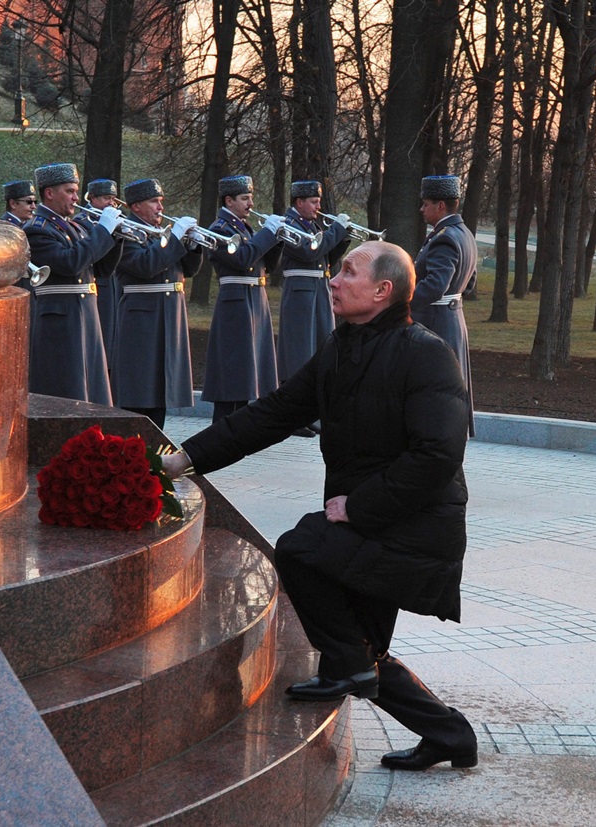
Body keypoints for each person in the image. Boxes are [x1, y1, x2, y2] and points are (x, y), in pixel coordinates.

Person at [162, 240, 478, 772]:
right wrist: (188, 457)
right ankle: (447, 734)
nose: (334, 279)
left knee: (301, 550)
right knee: (363, 653)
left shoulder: (426, 353)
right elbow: (277, 411)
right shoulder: (343, 345)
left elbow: (438, 454)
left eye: (349, 272)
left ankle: (349, 669)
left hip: (411, 524)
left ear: (382, 291)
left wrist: (358, 508)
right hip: (373, 522)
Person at [24, 163, 123, 405]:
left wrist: (116, 236)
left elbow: (101, 269)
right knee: (68, 390)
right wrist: (103, 231)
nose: (76, 198)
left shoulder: (75, 227)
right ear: (49, 193)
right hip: (61, 321)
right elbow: (70, 263)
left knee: (93, 392)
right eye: (69, 191)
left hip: (87, 317)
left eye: (75, 191)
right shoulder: (37, 229)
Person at [111, 178, 204, 430]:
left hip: (168, 315)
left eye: (161, 201)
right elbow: (145, 265)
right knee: (139, 389)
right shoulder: (127, 232)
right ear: (137, 206)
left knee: (161, 389)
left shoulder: (159, 232)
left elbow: (187, 269)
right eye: (154, 202)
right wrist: (175, 238)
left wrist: (193, 246)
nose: (160, 208)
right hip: (141, 318)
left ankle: (153, 451)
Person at [201, 175, 285, 424]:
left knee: (250, 375)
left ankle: (238, 429)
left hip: (254, 302)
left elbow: (265, 265)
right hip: (235, 305)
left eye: (251, 197)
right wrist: (268, 233)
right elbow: (242, 259)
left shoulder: (244, 228)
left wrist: (277, 240)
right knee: (234, 374)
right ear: (229, 201)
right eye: (245, 198)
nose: (251, 203)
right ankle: (223, 428)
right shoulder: (219, 229)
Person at [277, 180, 352, 437]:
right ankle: (293, 417)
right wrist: (335, 232)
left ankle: (309, 414)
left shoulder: (312, 224)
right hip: (300, 293)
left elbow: (325, 257)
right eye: (314, 201)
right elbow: (310, 252)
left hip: (318, 290)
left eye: (318, 201)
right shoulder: (290, 225)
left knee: (320, 351)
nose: (319, 206)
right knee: (299, 356)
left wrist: (343, 238)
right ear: (299, 203)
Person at [412, 175, 477, 436]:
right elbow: (469, 284)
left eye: (425, 204)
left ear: (440, 206)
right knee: (451, 384)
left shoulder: (444, 238)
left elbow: (435, 285)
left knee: (436, 384)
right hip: (453, 318)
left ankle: (438, 436)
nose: (421, 209)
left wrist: (401, 300)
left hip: (435, 320)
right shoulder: (465, 234)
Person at [75, 179, 124, 355]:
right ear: (92, 199)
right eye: (106, 198)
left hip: (113, 285)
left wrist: (119, 236)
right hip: (96, 286)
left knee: (113, 339)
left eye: (113, 199)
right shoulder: (82, 220)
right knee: (100, 340)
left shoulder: (116, 218)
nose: (111, 203)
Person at [2, 180, 39, 296]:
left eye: (34, 202)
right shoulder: (4, 227)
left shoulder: (27, 225)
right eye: (29, 202)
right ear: (13, 204)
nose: (33, 206)